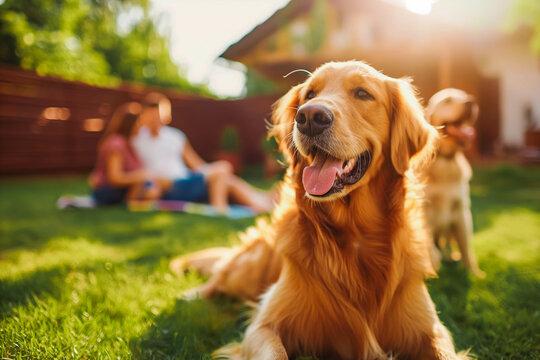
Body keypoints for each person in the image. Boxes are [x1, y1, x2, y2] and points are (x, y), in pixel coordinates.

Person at [132, 93, 275, 214]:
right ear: (143, 115)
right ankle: (220, 210)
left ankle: (263, 203)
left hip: (186, 181)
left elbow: (195, 163)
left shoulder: (175, 136)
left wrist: (213, 173)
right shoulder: (136, 140)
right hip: (168, 187)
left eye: (158, 114)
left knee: (226, 178)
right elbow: (135, 168)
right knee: (222, 170)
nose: (155, 119)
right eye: (151, 115)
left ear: (166, 115)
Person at [89, 102, 165, 205]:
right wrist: (139, 177)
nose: (142, 126)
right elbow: (115, 178)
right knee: (148, 187)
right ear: (130, 124)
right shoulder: (116, 143)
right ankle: (131, 203)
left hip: (118, 190)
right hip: (108, 192)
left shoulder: (128, 143)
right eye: (139, 122)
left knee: (153, 187)